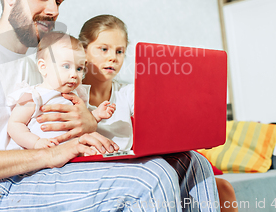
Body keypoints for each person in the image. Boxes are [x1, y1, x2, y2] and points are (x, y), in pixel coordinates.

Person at [0, 0, 219, 211]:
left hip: (50, 172)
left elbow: (76, 128)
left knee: (193, 164)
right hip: (1, 189)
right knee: (153, 177)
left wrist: (87, 129)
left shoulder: (39, 67)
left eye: (58, 1)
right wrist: (50, 154)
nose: (53, 11)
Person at [79, 14, 238, 212]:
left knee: (198, 161)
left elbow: (158, 114)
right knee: (158, 173)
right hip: (96, 169)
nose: (113, 57)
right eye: (104, 49)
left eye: (120, 51)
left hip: (127, 163)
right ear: (83, 51)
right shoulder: (73, 93)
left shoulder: (127, 92)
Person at [7, 32, 115, 150]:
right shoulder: (34, 95)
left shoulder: (77, 95)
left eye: (79, 68)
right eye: (66, 66)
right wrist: (36, 142)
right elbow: (15, 124)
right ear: (43, 67)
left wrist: (96, 115)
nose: (74, 74)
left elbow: (82, 121)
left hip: (72, 153)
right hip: (41, 156)